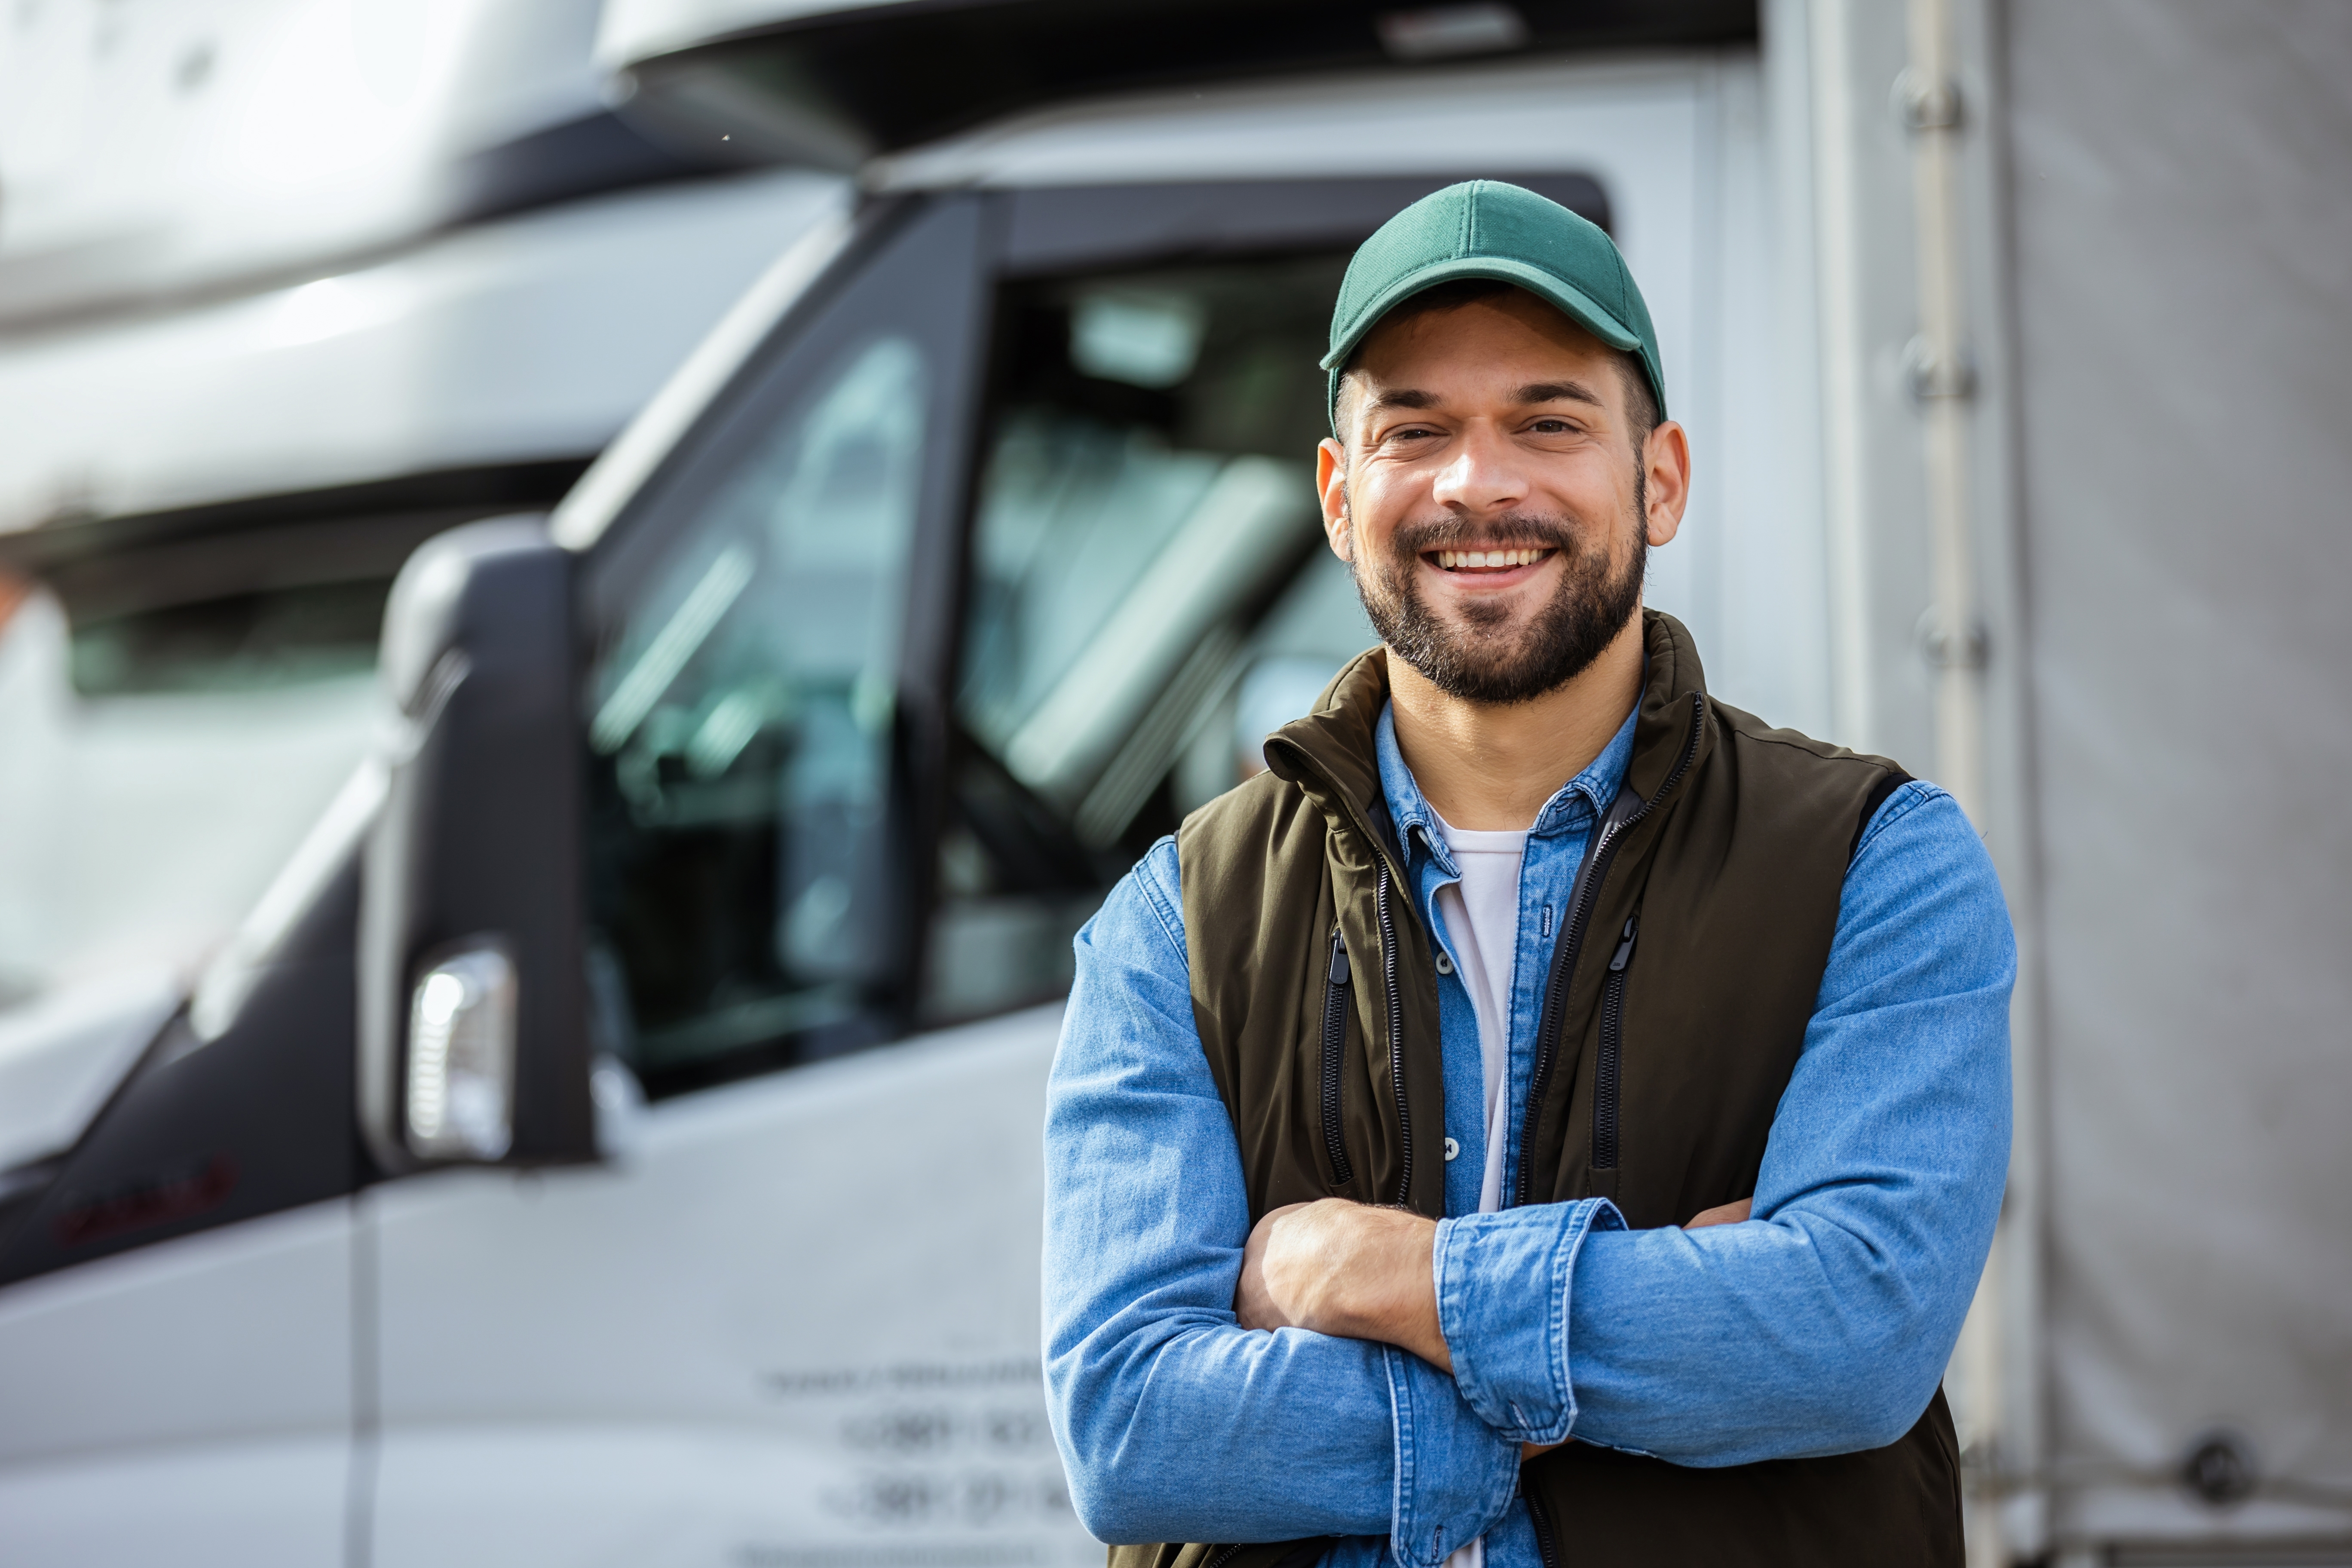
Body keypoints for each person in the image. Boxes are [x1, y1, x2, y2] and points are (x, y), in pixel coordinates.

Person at [1041, 181, 2013, 1568]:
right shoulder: (1175, 918)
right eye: (1413, 431)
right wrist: (1653, 1335)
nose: (1475, 484)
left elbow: (1852, 1337)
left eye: (1548, 424)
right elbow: (1132, 1434)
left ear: (1658, 477)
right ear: (1337, 493)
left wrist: (1369, 1277)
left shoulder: (1878, 863)